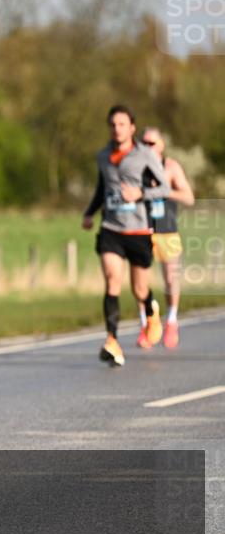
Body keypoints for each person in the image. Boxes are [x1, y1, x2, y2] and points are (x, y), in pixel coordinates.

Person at [82, 105, 168, 367]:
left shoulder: (145, 155)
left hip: (139, 230)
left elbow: (164, 187)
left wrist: (140, 194)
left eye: (121, 124)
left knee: (140, 289)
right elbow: (101, 187)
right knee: (112, 280)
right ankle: (112, 341)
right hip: (111, 228)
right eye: (112, 124)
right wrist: (89, 213)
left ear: (131, 128)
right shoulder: (103, 156)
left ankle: (151, 311)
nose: (116, 129)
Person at [141, 127, 194, 348]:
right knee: (140, 283)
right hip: (142, 230)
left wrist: (164, 191)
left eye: (152, 143)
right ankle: (147, 325)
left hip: (167, 230)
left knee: (171, 279)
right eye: (144, 143)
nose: (147, 147)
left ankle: (171, 321)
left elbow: (189, 197)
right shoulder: (137, 168)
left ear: (161, 144)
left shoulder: (170, 167)